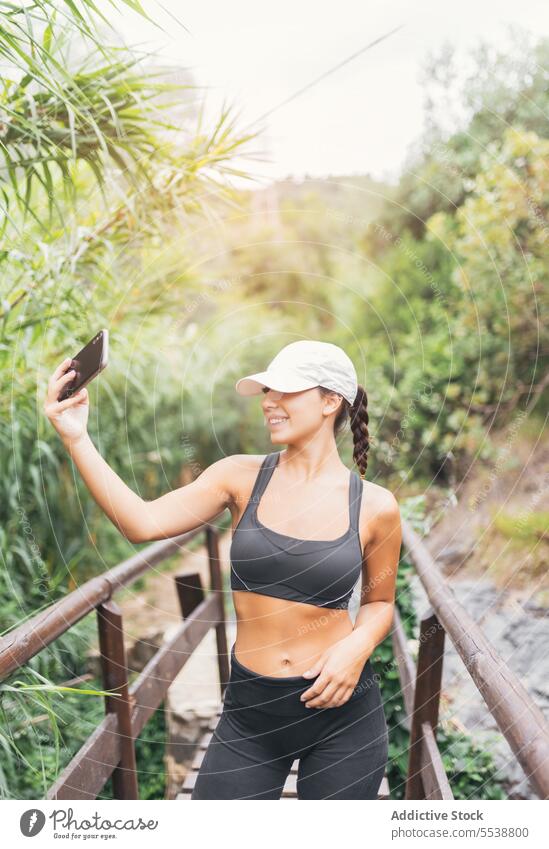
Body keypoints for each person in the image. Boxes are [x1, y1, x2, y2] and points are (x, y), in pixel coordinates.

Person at [44, 339, 401, 800]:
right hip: (251, 716)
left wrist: (358, 646)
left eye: (285, 391)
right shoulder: (238, 476)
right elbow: (142, 522)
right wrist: (76, 436)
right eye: (266, 392)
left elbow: (379, 602)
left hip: (343, 716)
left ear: (331, 400)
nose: (269, 402)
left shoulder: (375, 506)